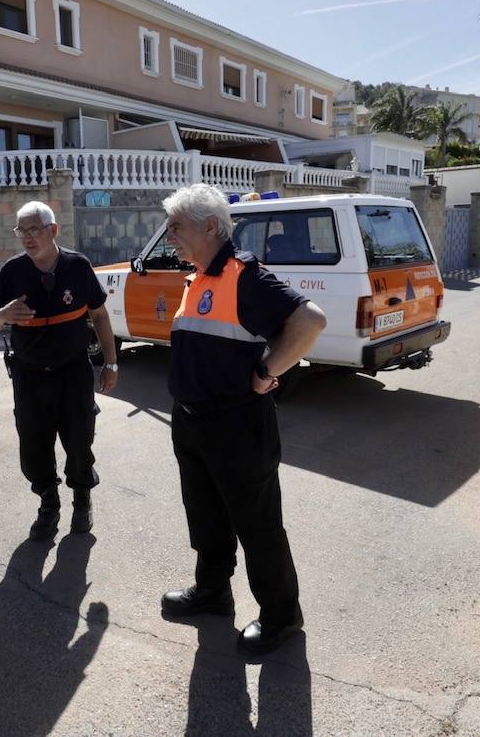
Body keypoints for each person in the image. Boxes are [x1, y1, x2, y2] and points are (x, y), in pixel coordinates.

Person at [157, 184, 327, 656]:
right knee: (206, 515)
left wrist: (266, 372)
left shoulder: (243, 275)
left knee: (257, 525)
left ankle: (281, 616)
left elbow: (309, 321)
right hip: (192, 423)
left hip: (236, 426)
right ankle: (212, 592)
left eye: (177, 226)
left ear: (211, 226)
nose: (169, 235)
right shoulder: (198, 277)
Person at [0, 201, 118, 540]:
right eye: (21, 231)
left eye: (34, 229)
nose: (27, 237)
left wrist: (112, 362)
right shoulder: (13, 271)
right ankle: (48, 502)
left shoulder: (78, 266)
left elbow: (100, 316)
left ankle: (82, 498)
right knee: (33, 444)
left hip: (73, 373)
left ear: (53, 230)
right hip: (29, 375)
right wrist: (3, 314)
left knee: (79, 440)